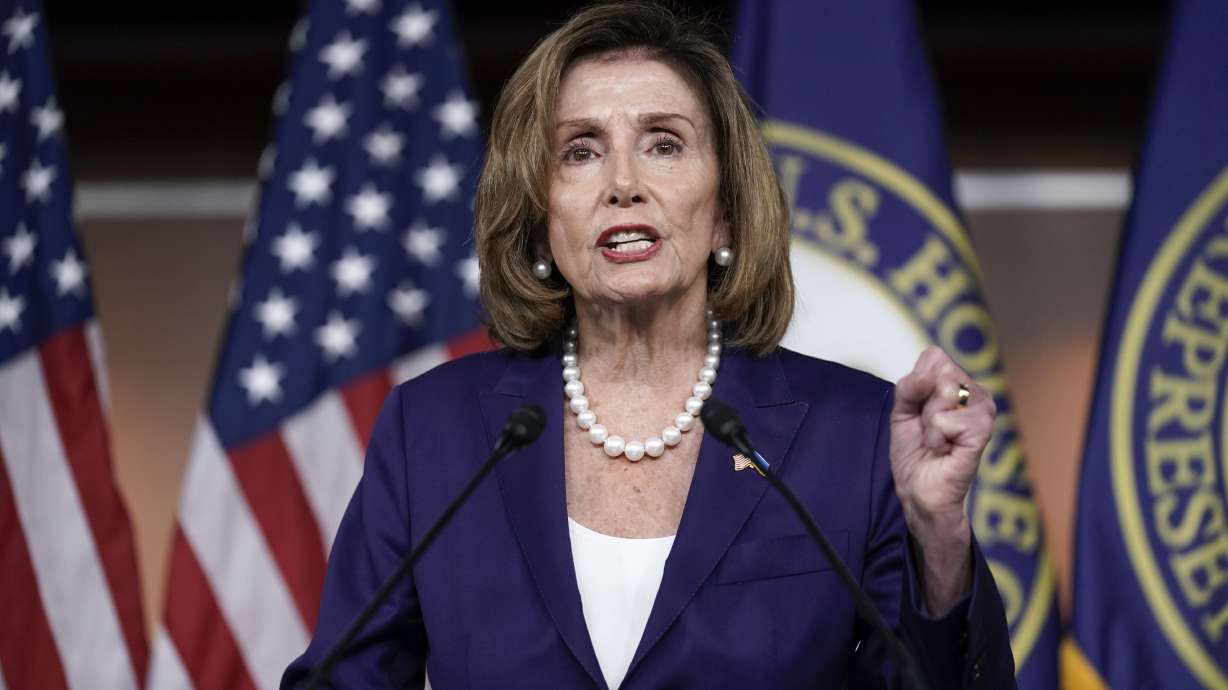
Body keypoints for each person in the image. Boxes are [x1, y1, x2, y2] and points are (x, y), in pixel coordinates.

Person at [283, 2, 1015, 688]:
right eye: (580, 152)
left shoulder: (850, 434)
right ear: (540, 219)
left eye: (663, 144)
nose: (623, 182)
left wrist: (939, 539)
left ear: (725, 213)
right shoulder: (434, 431)